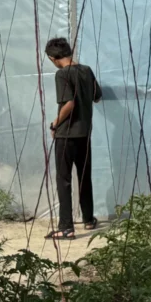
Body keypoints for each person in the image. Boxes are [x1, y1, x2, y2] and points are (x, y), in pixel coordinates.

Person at [44, 36, 102, 239]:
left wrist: (55, 123)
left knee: (64, 179)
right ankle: (88, 219)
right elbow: (97, 97)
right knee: (84, 176)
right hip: (84, 133)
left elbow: (69, 103)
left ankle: (66, 227)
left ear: (52, 58)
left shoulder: (62, 74)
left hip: (66, 135)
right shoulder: (86, 70)